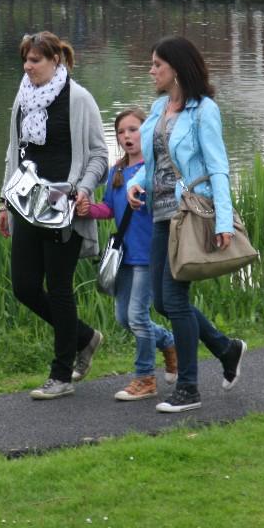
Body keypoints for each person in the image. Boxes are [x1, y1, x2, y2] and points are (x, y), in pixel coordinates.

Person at [126, 36, 247, 413]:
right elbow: (156, 162)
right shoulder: (158, 107)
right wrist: (135, 183)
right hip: (159, 215)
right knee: (163, 301)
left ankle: (189, 388)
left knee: (175, 299)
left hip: (188, 214)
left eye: (157, 65)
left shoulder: (203, 111)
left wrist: (224, 221)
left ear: (176, 69)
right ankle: (226, 349)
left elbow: (218, 168)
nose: (151, 71)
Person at [0, 31, 108, 400]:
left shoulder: (78, 99)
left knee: (59, 287)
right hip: (27, 206)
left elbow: (99, 155)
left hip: (65, 208)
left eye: (35, 60)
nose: (27, 67)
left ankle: (61, 375)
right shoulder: (22, 99)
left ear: (55, 60)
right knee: (24, 287)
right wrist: (3, 203)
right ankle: (84, 337)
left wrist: (84, 190)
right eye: (25, 60)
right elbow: (13, 153)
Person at [81, 107, 177, 401]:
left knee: (137, 316)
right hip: (124, 255)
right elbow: (110, 208)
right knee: (124, 318)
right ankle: (169, 342)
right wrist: (88, 210)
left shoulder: (155, 169)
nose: (127, 136)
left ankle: (145, 378)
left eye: (133, 129)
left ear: (145, 132)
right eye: (121, 132)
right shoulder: (118, 171)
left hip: (149, 253)